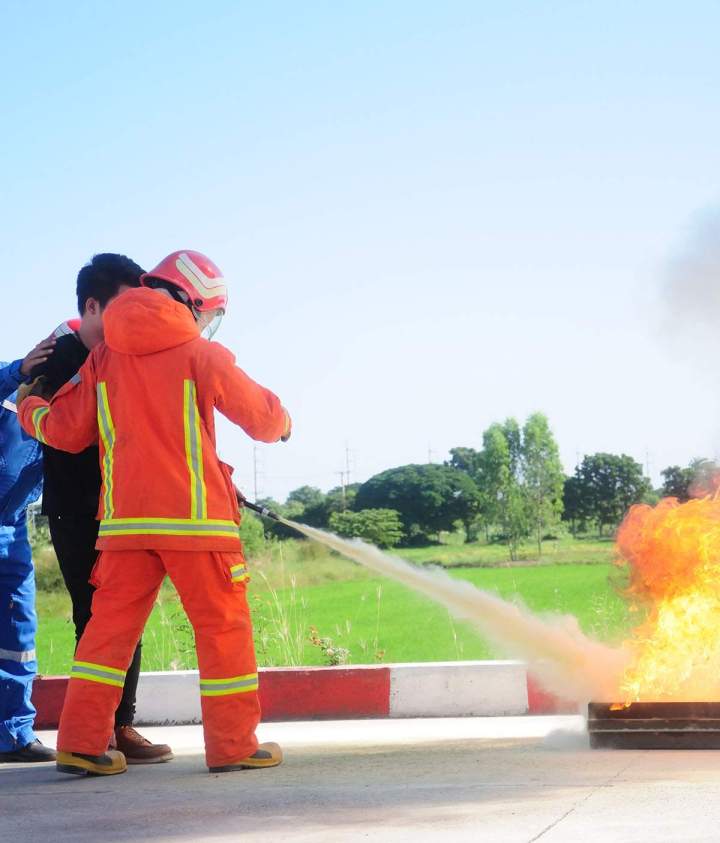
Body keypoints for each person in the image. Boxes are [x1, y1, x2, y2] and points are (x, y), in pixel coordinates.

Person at [19, 250, 291, 777]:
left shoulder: (103, 358)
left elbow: (67, 431)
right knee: (222, 631)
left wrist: (30, 406)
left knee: (106, 636)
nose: (206, 324)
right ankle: (233, 744)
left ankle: (80, 743)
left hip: (124, 528)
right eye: (208, 314)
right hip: (198, 525)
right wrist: (284, 425)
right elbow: (262, 418)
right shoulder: (200, 354)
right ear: (192, 303)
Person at [30, 254, 172, 764]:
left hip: (129, 509)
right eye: (122, 307)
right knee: (93, 618)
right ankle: (97, 731)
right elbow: (49, 427)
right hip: (76, 509)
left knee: (128, 616)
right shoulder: (56, 359)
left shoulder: (127, 357)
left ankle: (122, 724)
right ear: (92, 306)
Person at [0, 338, 58, 762]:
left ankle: (14, 735)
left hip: (13, 526)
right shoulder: (10, 384)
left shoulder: (62, 414)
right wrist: (17, 372)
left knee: (19, 634)